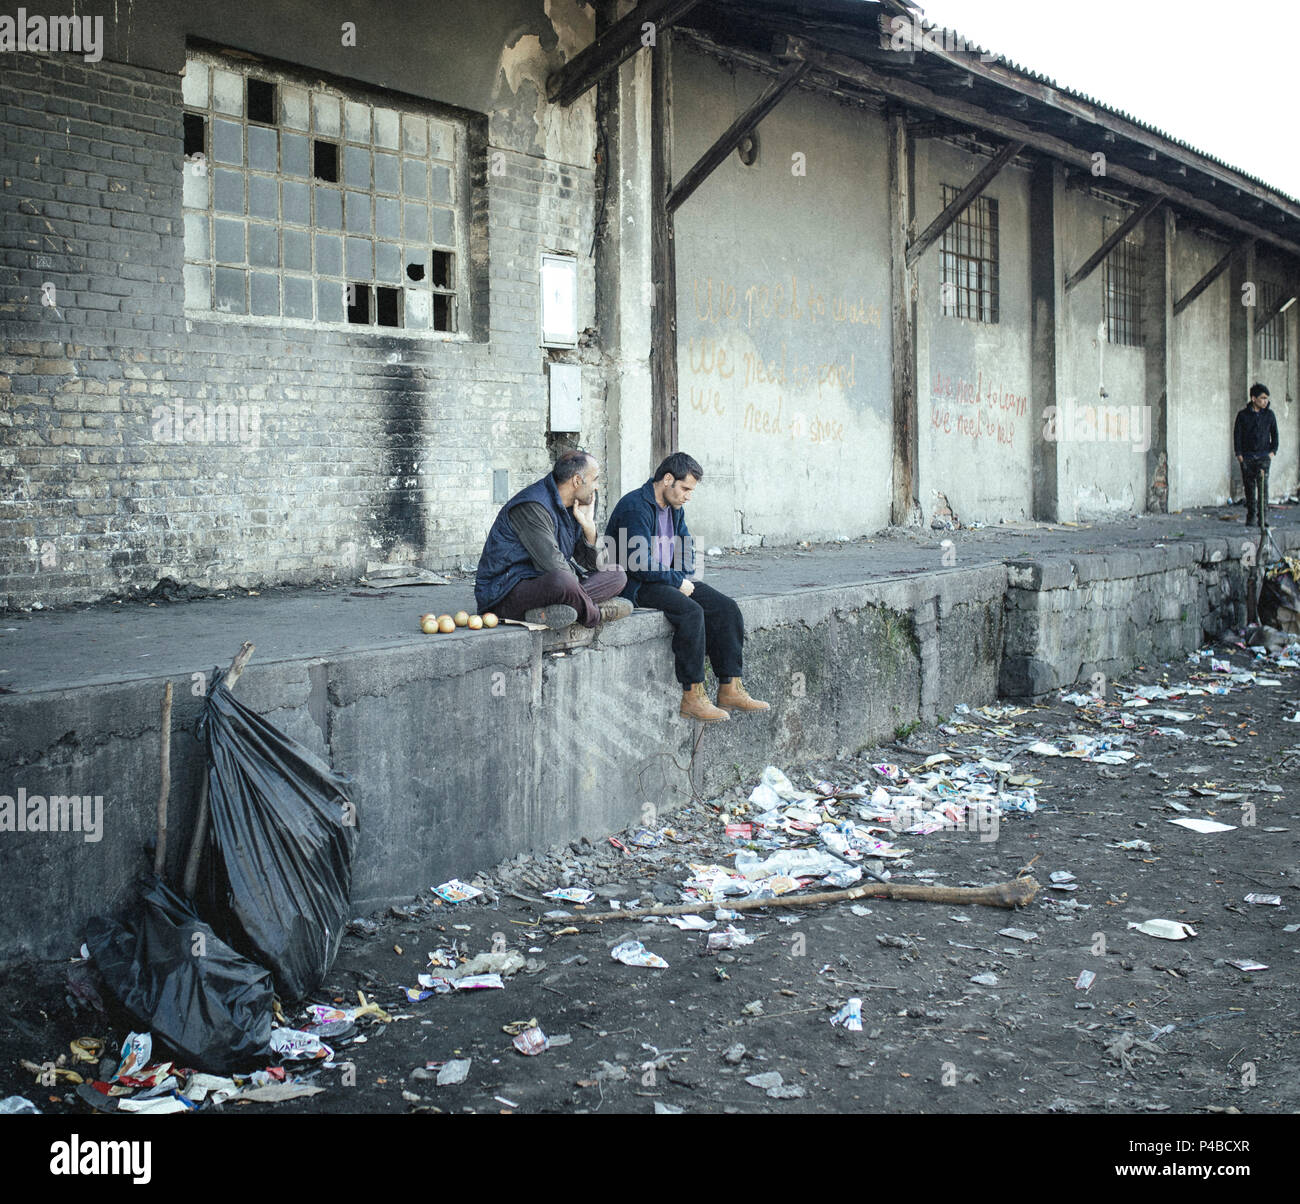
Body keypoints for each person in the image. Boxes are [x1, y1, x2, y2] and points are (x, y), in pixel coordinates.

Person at [606, 452, 768, 722]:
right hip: (633, 583)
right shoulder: (636, 506)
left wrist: (681, 578)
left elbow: (686, 546)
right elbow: (639, 564)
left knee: (726, 608)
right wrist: (676, 581)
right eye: (685, 488)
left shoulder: (675, 508)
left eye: (691, 490)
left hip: (664, 578)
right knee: (691, 613)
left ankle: (730, 687)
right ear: (667, 479)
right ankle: (692, 696)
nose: (688, 495)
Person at [475, 450, 631, 629]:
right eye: (595, 479)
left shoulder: (574, 506)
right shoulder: (532, 506)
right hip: (504, 593)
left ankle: (552, 611)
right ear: (577, 481)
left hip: (548, 583)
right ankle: (596, 614)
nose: (597, 487)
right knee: (563, 582)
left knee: (617, 574)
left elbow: (592, 564)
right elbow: (553, 566)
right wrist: (572, 587)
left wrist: (589, 529)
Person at [1234, 383, 1278, 526]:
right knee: (1249, 488)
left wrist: (1272, 452)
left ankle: (1263, 517)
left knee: (1263, 489)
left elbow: (1275, 435)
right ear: (1253, 398)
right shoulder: (1243, 415)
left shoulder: (1269, 415)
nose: (1265, 401)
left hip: (1264, 457)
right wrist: (1239, 454)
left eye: (1266, 398)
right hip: (1247, 457)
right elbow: (1237, 435)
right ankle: (1251, 516)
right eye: (1262, 398)